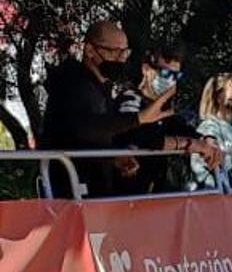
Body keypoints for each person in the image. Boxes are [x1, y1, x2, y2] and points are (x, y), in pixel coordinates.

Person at [41, 21, 179, 198]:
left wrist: (114, 157)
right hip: (68, 191)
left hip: (95, 190)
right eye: (115, 52)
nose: (121, 59)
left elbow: (96, 138)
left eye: (125, 52)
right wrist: (139, 118)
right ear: (90, 50)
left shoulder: (103, 88)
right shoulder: (71, 83)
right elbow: (83, 128)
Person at [112, 44, 223, 194]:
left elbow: (181, 128)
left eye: (176, 76)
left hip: (152, 197)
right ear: (146, 69)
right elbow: (140, 136)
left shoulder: (165, 108)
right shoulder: (130, 99)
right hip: (121, 196)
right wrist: (191, 144)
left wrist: (206, 139)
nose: (170, 81)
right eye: (165, 74)